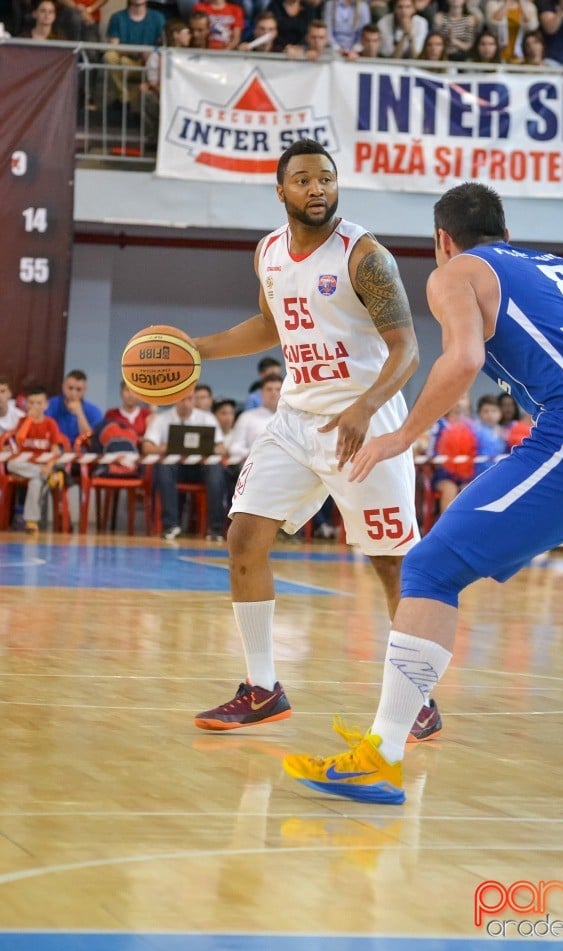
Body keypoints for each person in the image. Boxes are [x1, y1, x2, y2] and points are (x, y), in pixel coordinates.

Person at [282, 180, 563, 804]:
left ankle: (383, 753)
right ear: (507, 230)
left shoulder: (458, 273)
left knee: (429, 566)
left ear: (442, 240)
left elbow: (464, 359)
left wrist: (404, 436)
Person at [192, 138, 442, 744]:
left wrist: (365, 406)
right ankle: (262, 689)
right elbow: (269, 325)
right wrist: (197, 349)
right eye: (302, 180)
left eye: (325, 179)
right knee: (244, 538)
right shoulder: (269, 253)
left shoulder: (365, 255)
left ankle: (420, 701)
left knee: (390, 564)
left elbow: (407, 348)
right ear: (281, 191)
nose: (316, 189)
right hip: (297, 419)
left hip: (366, 420)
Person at [141, 388, 227, 541]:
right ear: (175, 399)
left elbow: (221, 448)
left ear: (194, 400)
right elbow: (147, 447)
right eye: (182, 399)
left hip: (201, 467)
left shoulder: (207, 418)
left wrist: (206, 450)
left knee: (217, 471)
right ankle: (170, 526)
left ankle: (216, 529)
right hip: (175, 467)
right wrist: (171, 447)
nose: (186, 403)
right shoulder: (161, 419)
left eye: (190, 399)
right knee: (163, 468)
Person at [6, 386, 64, 535]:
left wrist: (50, 466)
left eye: (39, 403)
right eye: (31, 403)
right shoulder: (23, 421)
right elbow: (19, 439)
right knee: (12, 464)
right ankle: (49, 476)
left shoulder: (50, 423)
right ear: (27, 405)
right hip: (25, 464)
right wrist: (29, 421)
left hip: (43, 464)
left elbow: (55, 450)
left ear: (46, 405)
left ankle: (31, 522)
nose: (35, 406)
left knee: (36, 481)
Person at [104, 0, 165, 107]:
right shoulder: (117, 17)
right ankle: (124, 97)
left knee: (124, 61)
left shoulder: (158, 18)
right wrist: (140, 51)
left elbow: (163, 47)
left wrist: (149, 56)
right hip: (125, 62)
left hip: (149, 65)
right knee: (110, 56)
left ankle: (128, 100)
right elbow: (114, 47)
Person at [226, 373, 282, 467]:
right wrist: (257, 453)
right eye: (269, 389)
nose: (273, 393)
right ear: (261, 392)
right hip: (254, 465)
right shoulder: (246, 417)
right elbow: (234, 448)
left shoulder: (292, 418)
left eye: (278, 389)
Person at [46, 369, 103, 448]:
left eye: (78, 389)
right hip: (55, 451)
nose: (73, 393)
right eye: (70, 388)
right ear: (63, 386)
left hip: (82, 454)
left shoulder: (94, 411)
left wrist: (79, 413)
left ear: (85, 390)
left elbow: (92, 442)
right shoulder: (50, 405)